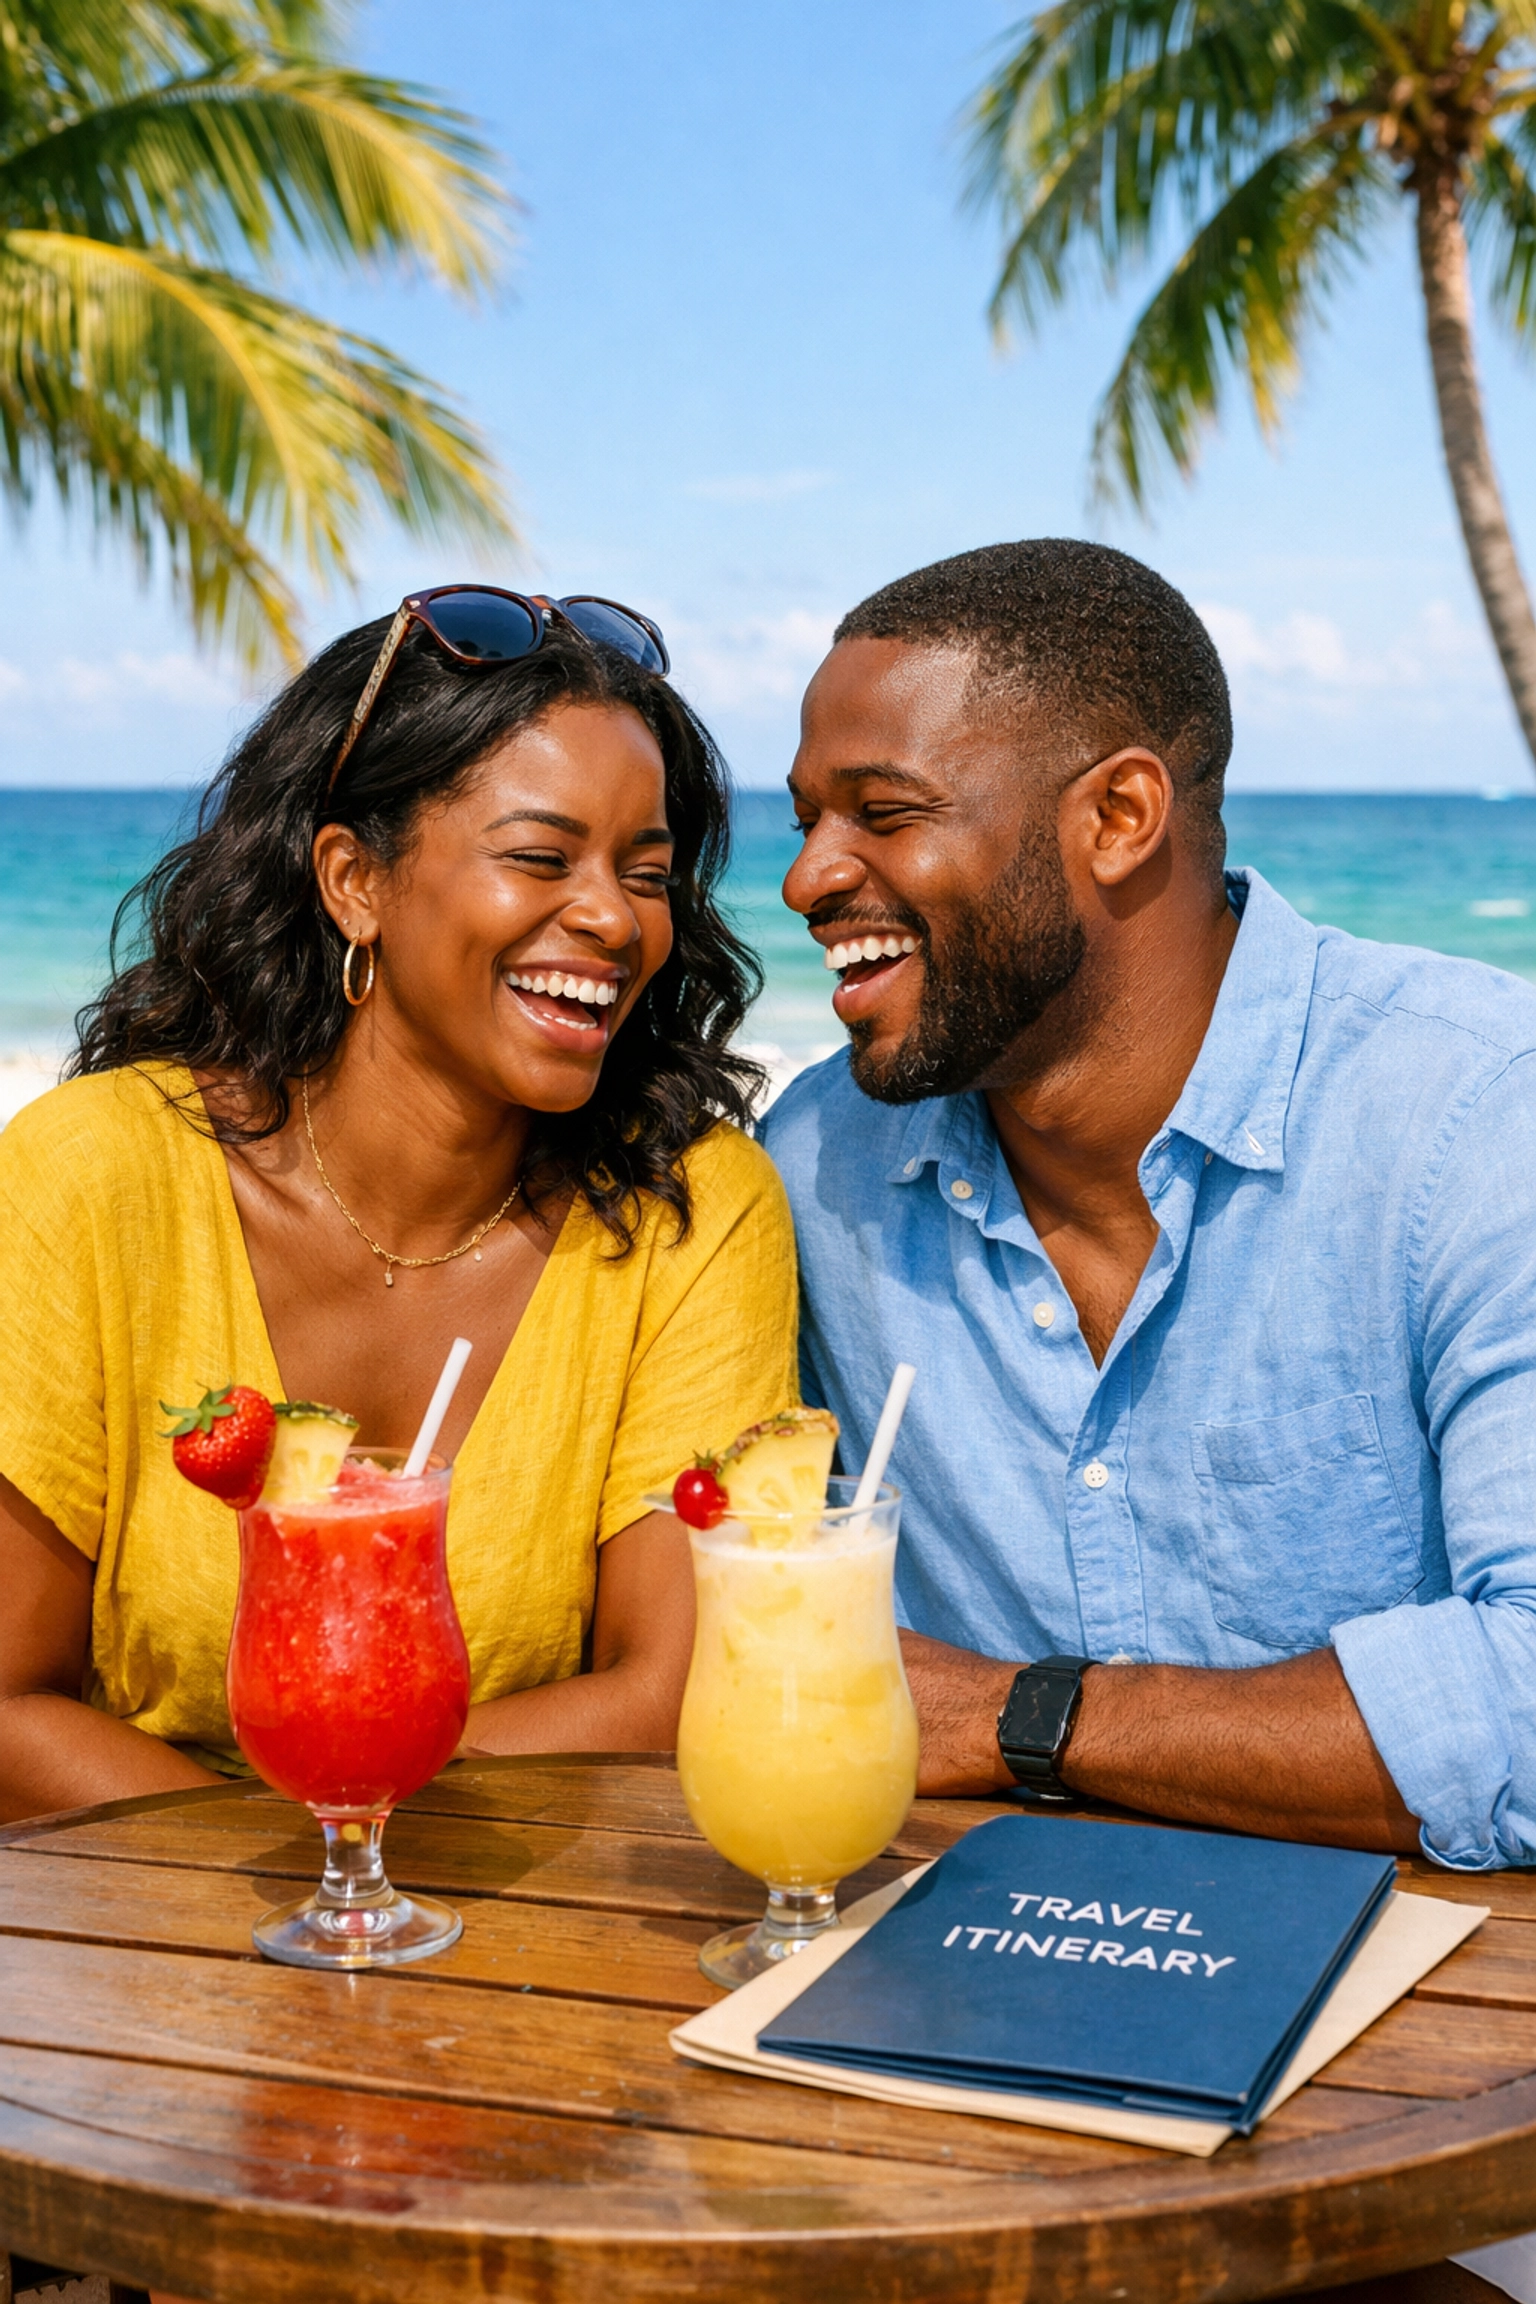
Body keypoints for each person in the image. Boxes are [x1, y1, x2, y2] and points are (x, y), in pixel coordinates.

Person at [761, 539, 1536, 1873]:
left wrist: (1024, 1720)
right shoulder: (815, 1167)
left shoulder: (1473, 1118)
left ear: (1119, 818)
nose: (807, 881)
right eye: (805, 823)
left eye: (882, 814)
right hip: (957, 1977)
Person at [0, 587, 797, 1826]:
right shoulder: (91, 1177)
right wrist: (312, 1879)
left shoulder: (686, 1212)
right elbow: (7, 1704)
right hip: (143, 1941)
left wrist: (342, 1842)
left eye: (647, 875)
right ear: (354, 881)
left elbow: (670, 1693)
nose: (612, 917)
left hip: (527, 1932)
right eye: (541, 856)